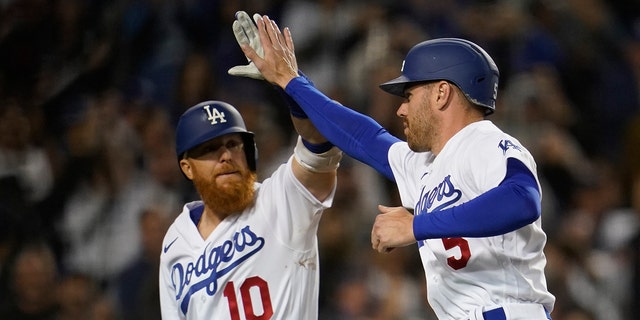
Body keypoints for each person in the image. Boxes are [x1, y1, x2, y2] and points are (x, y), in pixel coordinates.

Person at [232, 11, 556, 320]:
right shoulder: (422, 163)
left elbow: (521, 200)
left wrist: (415, 226)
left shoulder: (481, 141)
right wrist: (290, 81)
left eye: (409, 95)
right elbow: (360, 135)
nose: (400, 110)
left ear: (442, 93)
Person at [158, 96, 343, 318]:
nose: (226, 156)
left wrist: (291, 85)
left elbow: (319, 147)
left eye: (233, 144)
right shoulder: (175, 241)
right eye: (210, 149)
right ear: (188, 168)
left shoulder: (280, 201)